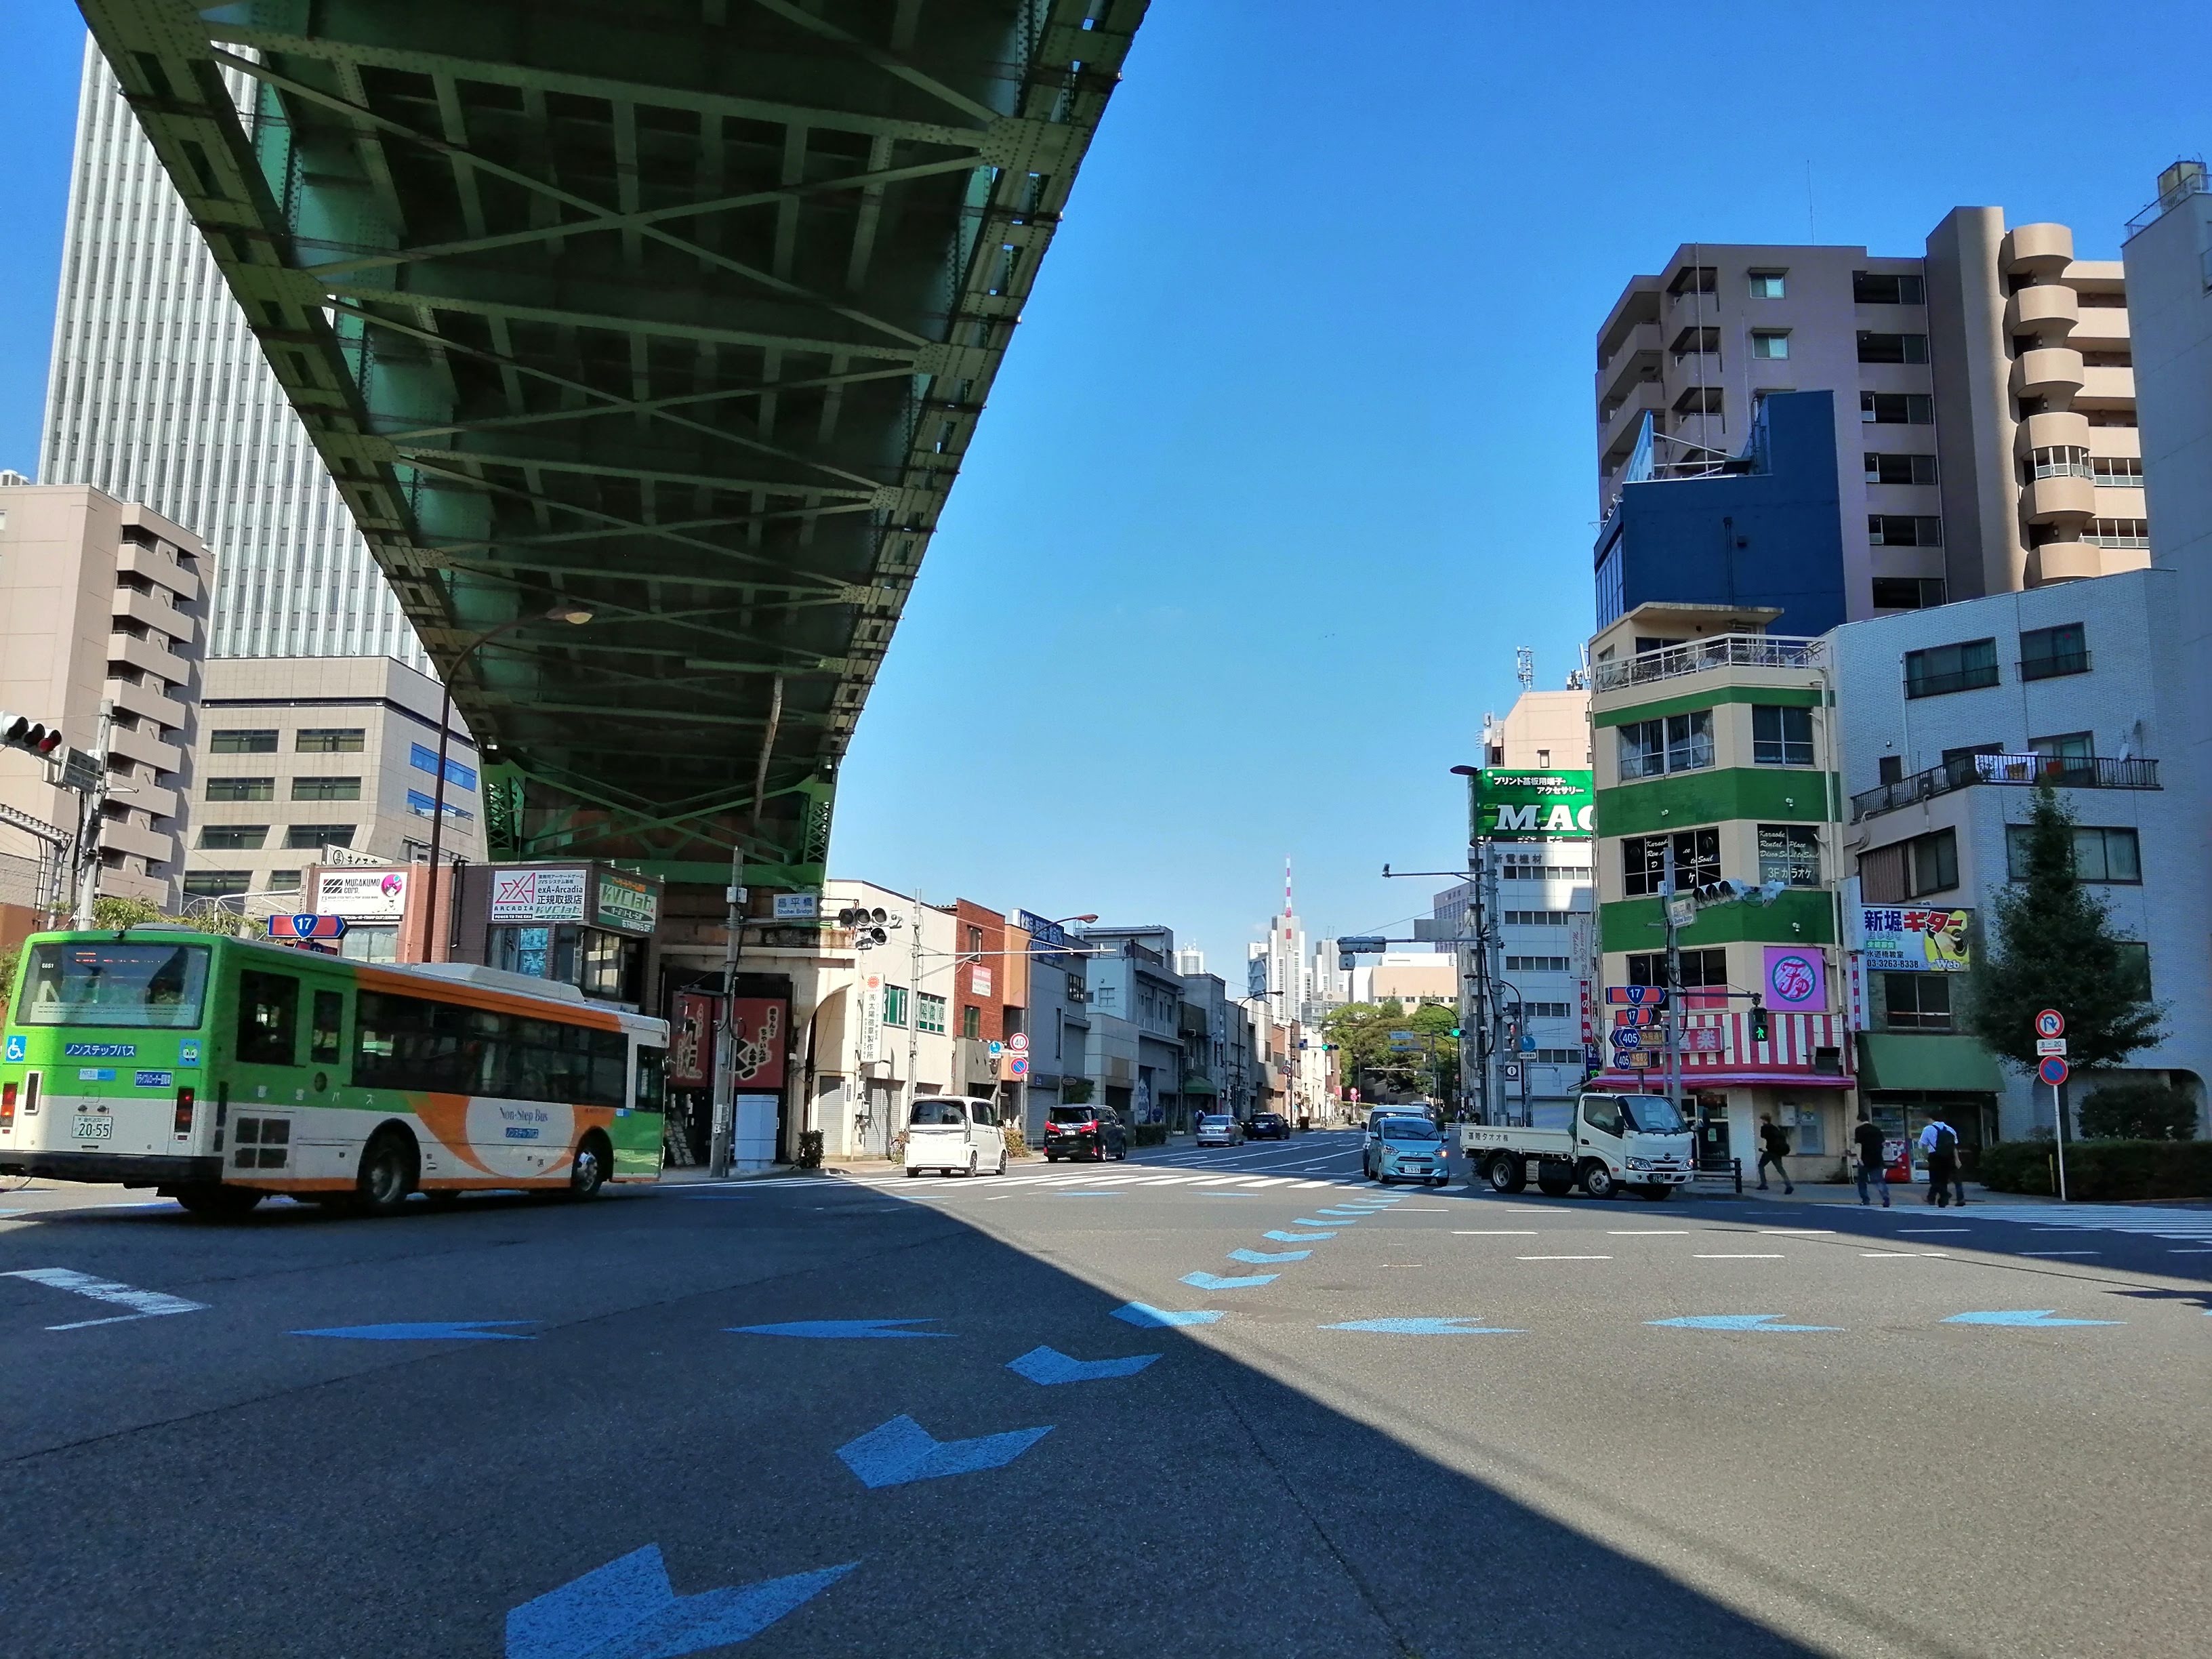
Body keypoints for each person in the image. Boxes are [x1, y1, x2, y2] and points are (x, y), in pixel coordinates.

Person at [1918, 1115, 1967, 1207]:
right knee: (1944, 1179)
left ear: (1931, 1119)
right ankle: (1942, 1200)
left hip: (1935, 1156)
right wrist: (1957, 1160)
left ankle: (1944, 1195)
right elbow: (1954, 1147)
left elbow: (1923, 1146)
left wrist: (1924, 1158)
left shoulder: (1928, 1129)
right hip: (1949, 1157)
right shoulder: (1950, 1129)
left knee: (1935, 1179)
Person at [1852, 1113, 1891, 1208]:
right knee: (1879, 1180)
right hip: (1877, 1158)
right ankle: (1885, 1197)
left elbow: (1858, 1145)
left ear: (1859, 1120)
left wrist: (1859, 1158)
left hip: (1865, 1158)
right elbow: (1883, 1143)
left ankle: (1866, 1200)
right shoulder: (1877, 1130)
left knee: (1862, 1181)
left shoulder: (1859, 1130)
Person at [1755, 1113, 1795, 1194]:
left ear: (1764, 1120)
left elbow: (1765, 1139)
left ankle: (1764, 1184)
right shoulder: (1774, 1128)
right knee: (1780, 1168)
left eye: (1761, 1119)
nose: (1760, 1121)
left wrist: (1764, 1148)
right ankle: (1788, 1185)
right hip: (1778, 1151)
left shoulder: (1765, 1128)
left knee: (1761, 1166)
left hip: (1770, 1151)